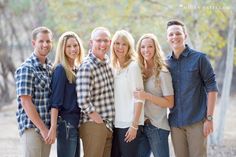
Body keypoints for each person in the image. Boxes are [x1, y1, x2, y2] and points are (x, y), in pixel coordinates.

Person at [166, 20, 218, 157]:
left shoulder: (199, 59)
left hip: (197, 122)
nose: (174, 37)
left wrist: (209, 118)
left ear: (185, 35)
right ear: (167, 38)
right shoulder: (165, 64)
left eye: (178, 33)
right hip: (175, 123)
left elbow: (212, 88)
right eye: (171, 34)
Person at [76, 27, 115, 157]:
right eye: (99, 40)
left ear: (110, 42)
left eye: (106, 41)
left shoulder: (108, 64)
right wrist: (97, 119)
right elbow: (83, 100)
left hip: (108, 124)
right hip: (94, 124)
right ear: (91, 42)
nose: (102, 44)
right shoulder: (87, 66)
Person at [15, 26, 53, 157]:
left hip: (46, 128)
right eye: (41, 41)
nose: (45, 44)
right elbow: (26, 102)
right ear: (33, 43)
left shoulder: (49, 68)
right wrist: (43, 129)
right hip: (32, 128)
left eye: (48, 41)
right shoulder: (27, 68)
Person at [135, 33, 174, 157]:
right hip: (142, 126)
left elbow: (169, 102)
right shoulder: (139, 71)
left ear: (155, 48)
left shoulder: (163, 72)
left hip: (157, 127)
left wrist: (147, 96)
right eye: (143, 47)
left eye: (150, 46)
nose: (146, 50)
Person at [48, 31, 84, 157]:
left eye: (75, 45)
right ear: (62, 49)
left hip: (76, 124)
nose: (73, 49)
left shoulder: (77, 69)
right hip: (66, 125)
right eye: (68, 46)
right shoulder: (60, 70)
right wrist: (53, 127)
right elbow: (55, 102)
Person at [110, 30, 144, 157]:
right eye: (117, 43)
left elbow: (140, 99)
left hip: (129, 125)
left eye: (124, 44)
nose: (120, 47)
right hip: (116, 124)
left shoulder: (133, 67)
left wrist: (134, 126)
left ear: (129, 47)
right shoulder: (114, 67)